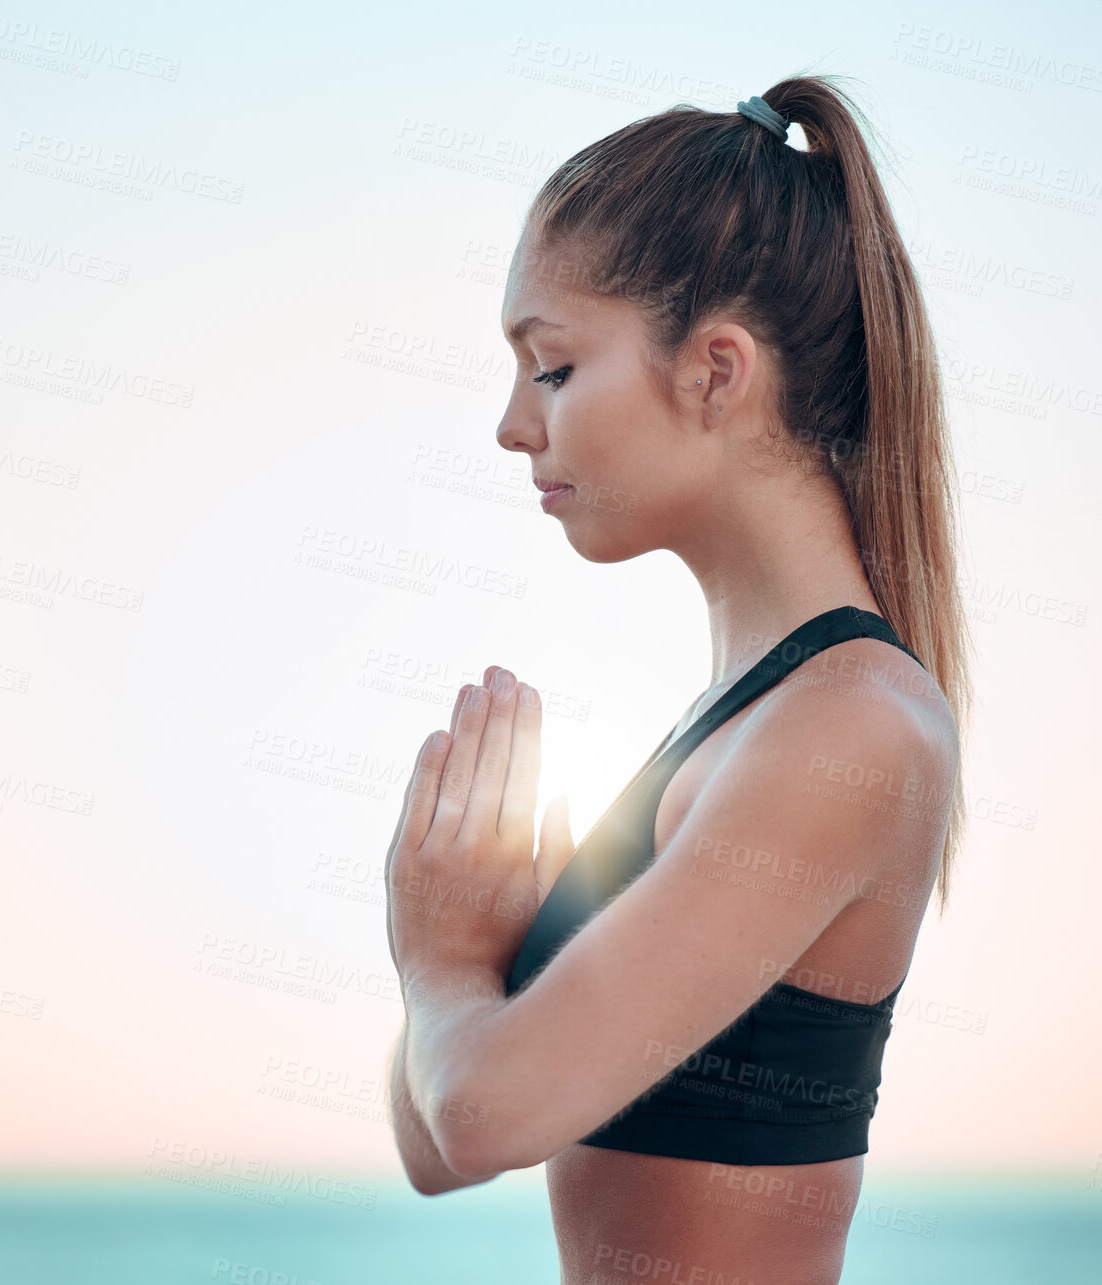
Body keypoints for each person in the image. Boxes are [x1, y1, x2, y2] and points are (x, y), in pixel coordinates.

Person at [384, 74, 970, 1285]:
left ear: (714, 371)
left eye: (549, 368)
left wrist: (445, 963)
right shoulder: (739, 724)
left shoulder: (851, 725)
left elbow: (489, 1112)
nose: (509, 424)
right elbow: (437, 1140)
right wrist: (467, 964)